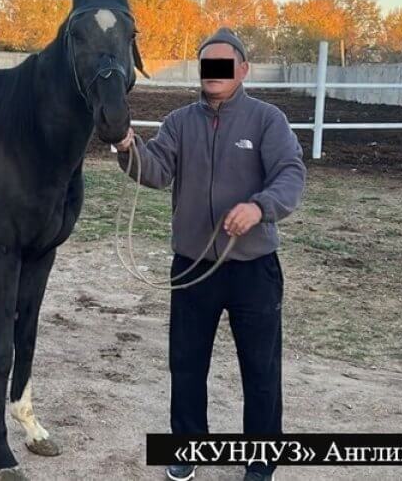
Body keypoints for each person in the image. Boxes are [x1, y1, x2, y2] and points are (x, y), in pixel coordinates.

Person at [115, 27, 306, 481]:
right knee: (186, 362)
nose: (213, 73)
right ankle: (187, 447)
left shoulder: (267, 120)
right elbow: (158, 171)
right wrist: (126, 146)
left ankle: (260, 457)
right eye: (207, 64)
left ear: (242, 69)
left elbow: (291, 174)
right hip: (192, 267)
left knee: (260, 367)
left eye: (223, 64)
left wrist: (259, 208)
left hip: (254, 269)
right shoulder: (180, 121)